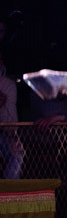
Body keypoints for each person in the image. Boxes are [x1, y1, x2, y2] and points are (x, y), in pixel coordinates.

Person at [0, 48, 23, 179]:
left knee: (17, 153)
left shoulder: (8, 84)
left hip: (5, 134)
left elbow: (10, 119)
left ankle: (8, 193)